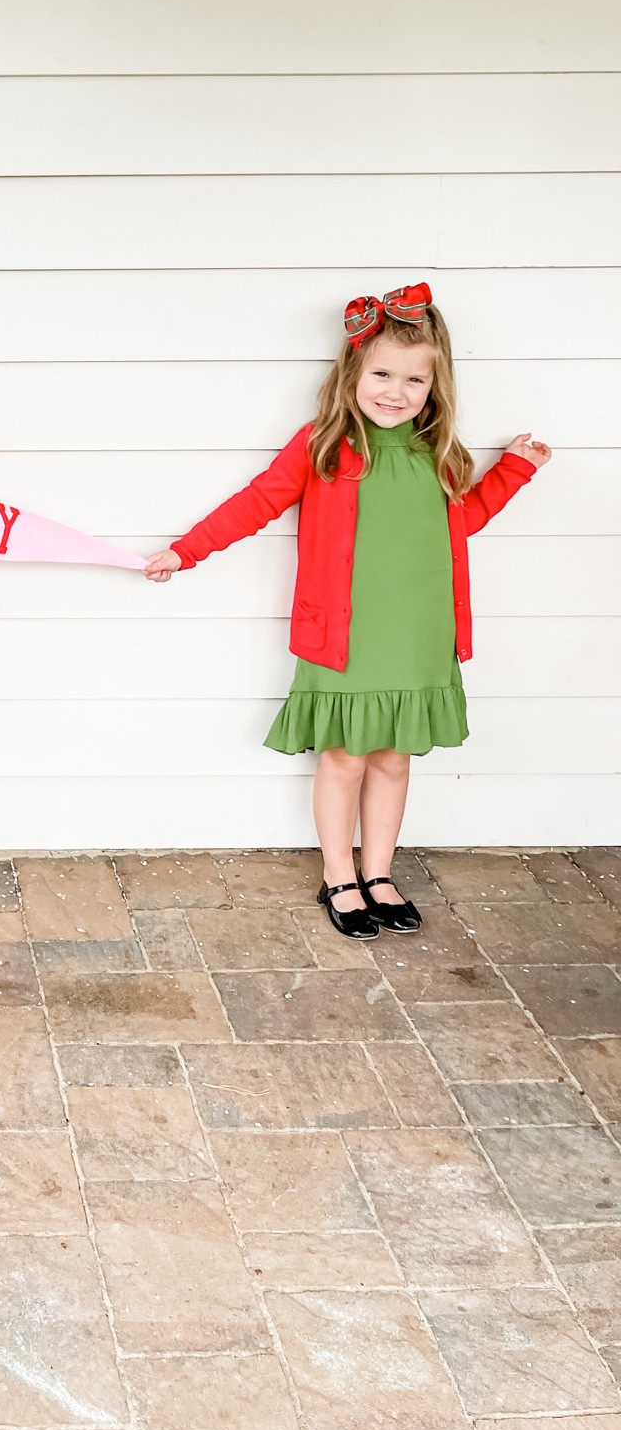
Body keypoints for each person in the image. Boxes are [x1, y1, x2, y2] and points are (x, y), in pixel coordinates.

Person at [142, 285, 550, 940]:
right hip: (344, 637)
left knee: (392, 758)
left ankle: (380, 871)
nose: (396, 391)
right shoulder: (323, 446)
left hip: (417, 635)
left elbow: (459, 523)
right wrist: (185, 552)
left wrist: (512, 472)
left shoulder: (436, 452)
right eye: (382, 374)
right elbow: (256, 504)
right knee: (344, 758)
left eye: (415, 379)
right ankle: (339, 875)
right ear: (352, 374)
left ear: (436, 385)